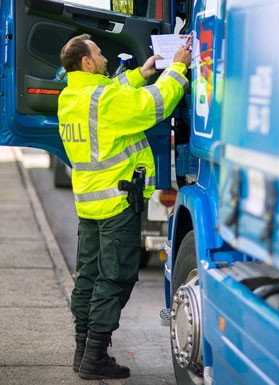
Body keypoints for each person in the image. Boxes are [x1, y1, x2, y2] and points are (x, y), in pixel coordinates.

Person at [57, 33, 192, 380]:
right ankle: (96, 356)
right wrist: (177, 67)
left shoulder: (72, 96)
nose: (104, 59)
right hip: (117, 203)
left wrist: (140, 74)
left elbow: (111, 96)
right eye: (99, 55)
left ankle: (82, 350)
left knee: (88, 278)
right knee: (115, 279)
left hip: (89, 204)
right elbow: (153, 106)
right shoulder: (103, 98)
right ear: (87, 62)